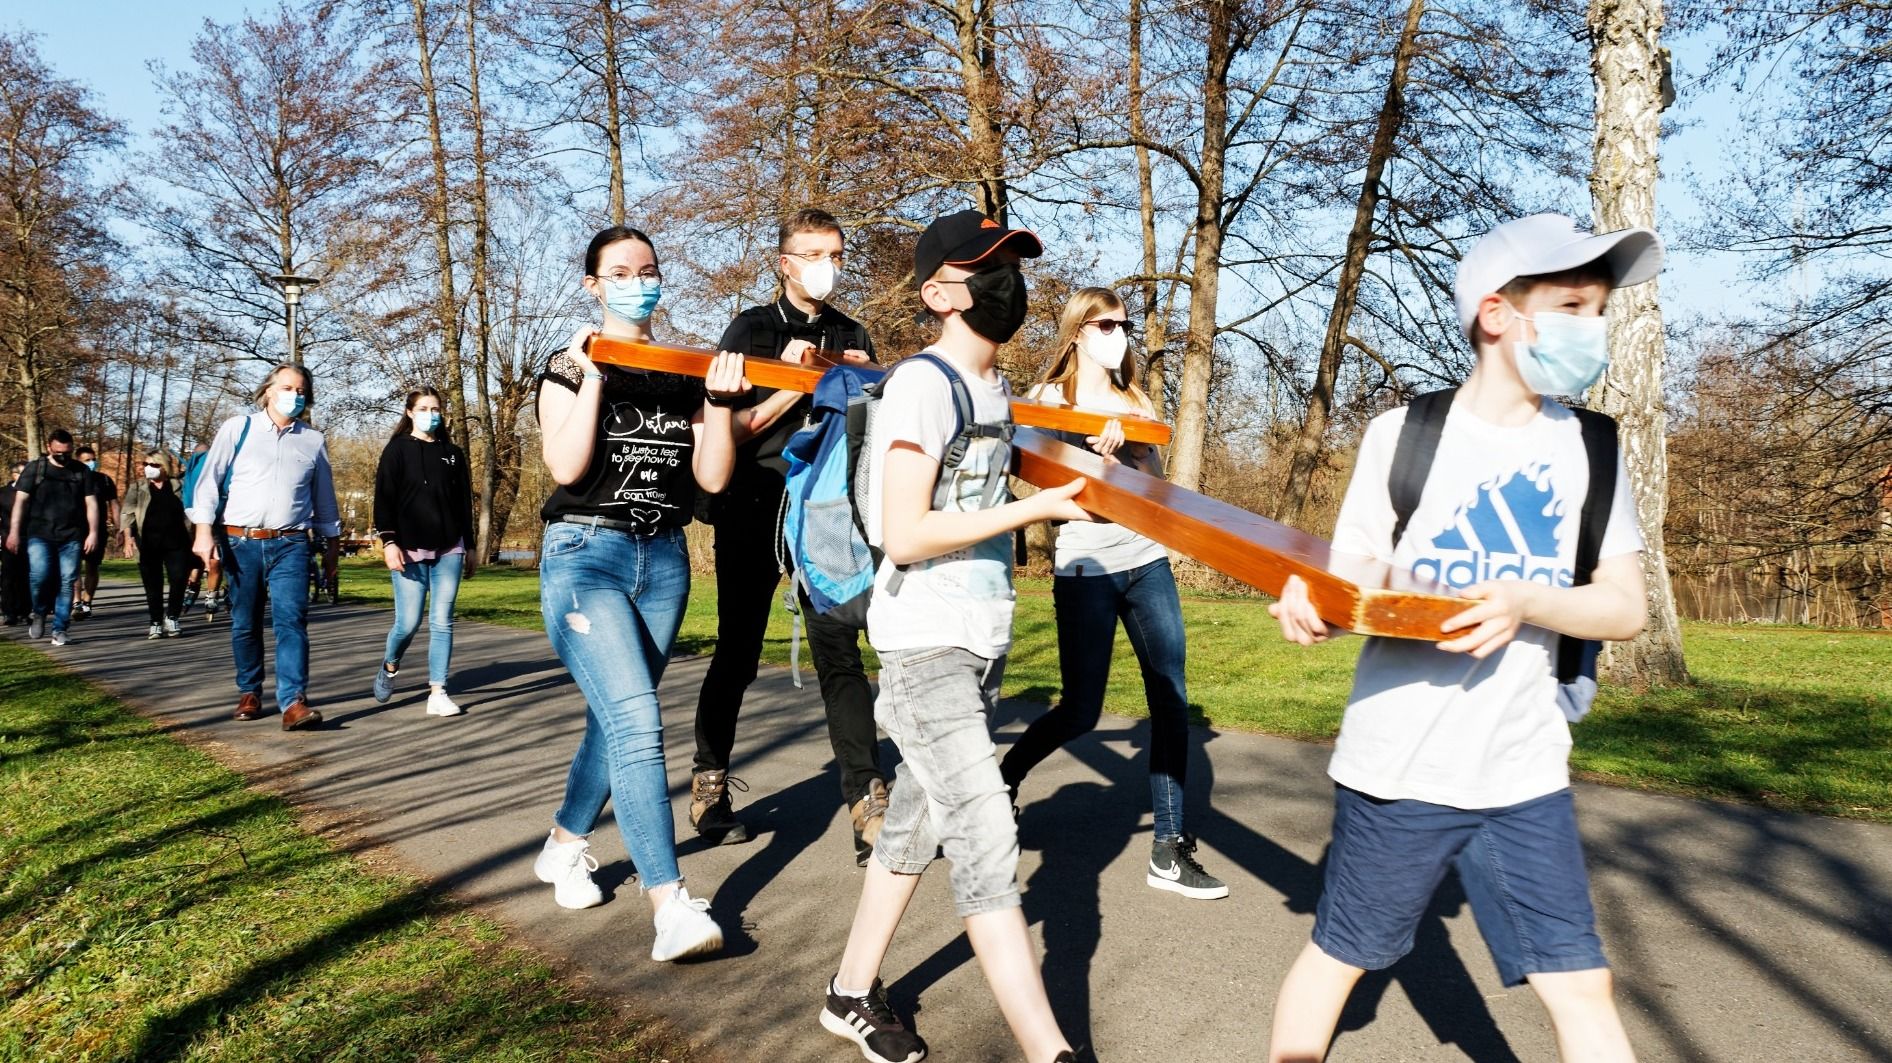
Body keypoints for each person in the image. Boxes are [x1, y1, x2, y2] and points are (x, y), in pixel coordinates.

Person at [1263, 213, 1660, 1063]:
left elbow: (1625, 606)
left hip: (1525, 767)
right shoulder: (1404, 436)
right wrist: (1312, 593)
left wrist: (1526, 598)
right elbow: (1356, 573)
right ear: (1496, 314)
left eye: (1599, 310)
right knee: (1343, 959)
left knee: (1582, 983)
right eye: (1572, 305)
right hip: (1402, 766)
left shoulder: (1592, 447)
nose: (1593, 329)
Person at [821, 209, 1093, 1063]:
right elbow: (904, 532)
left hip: (979, 638)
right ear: (941, 291)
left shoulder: (995, 391)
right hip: (922, 641)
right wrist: (1038, 508)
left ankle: (850, 990)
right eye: (987, 269)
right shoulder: (923, 386)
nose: (1005, 284)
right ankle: (1052, 1052)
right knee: (984, 833)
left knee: (916, 821)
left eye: (1013, 265)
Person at [529, 224, 748, 963]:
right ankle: (669, 902)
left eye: (648, 268)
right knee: (636, 714)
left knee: (615, 719)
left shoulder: (684, 367)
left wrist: (719, 401)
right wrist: (595, 371)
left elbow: (713, 477)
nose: (637, 280)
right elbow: (565, 463)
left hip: (663, 559)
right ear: (593, 284)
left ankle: (563, 843)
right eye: (619, 271)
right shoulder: (565, 363)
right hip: (585, 555)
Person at [999, 286, 1227, 901]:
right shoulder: (1048, 401)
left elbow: (1154, 484)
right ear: (1077, 332)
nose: (1117, 334)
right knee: (1081, 710)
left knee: (1171, 699)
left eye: (1122, 325)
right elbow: (1028, 497)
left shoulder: (1136, 399)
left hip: (1146, 562)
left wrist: (1126, 458)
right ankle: (1004, 782)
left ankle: (1169, 850)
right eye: (1104, 325)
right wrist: (1089, 471)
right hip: (1086, 569)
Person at [688, 206, 891, 862]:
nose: (824, 266)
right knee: (740, 651)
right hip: (754, 503)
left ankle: (867, 803)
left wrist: (863, 382)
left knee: (839, 649)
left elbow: (873, 429)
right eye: (811, 254)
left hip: (827, 509)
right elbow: (727, 430)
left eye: (834, 253)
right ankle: (709, 786)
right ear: (783, 262)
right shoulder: (748, 329)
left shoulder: (851, 330)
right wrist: (791, 382)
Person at [188, 364, 343, 731]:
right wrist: (203, 532)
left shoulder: (312, 440)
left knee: (292, 620)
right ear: (269, 391)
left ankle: (293, 702)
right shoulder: (237, 429)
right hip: (241, 541)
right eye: (288, 387)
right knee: (246, 621)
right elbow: (208, 483)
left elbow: (325, 500)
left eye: (301, 390)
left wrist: (332, 545)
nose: (295, 395)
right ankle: (250, 691)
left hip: (291, 542)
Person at [371, 386, 475, 717]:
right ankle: (390, 665)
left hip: (450, 548)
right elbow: (383, 500)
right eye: (424, 408)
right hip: (407, 547)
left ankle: (438, 692)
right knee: (408, 622)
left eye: (436, 409)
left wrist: (470, 545)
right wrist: (389, 542)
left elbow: (463, 504)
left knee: (442, 620)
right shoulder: (396, 451)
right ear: (410, 413)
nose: (431, 414)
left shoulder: (453, 454)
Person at [5, 430, 99, 646]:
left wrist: (92, 532)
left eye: (67, 453)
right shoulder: (35, 469)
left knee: (67, 581)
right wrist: (14, 532)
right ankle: (38, 613)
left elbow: (91, 503)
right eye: (58, 453)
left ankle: (60, 628)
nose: (63, 457)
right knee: (40, 576)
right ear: (49, 448)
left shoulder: (81, 471)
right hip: (40, 534)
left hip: (71, 536)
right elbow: (20, 502)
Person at [121, 450, 193, 639]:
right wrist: (128, 538)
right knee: (153, 584)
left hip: (177, 542)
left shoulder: (180, 486)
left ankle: (173, 616)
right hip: (148, 543)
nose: (148, 469)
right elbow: (127, 513)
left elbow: (191, 510)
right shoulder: (138, 487)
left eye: (153, 465)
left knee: (178, 579)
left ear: (164, 466)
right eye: (146, 465)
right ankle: (155, 622)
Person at [71, 444, 119, 620]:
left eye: (93, 460)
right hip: (74, 529)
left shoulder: (104, 480)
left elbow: (114, 504)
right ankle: (76, 602)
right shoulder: (71, 479)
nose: (91, 463)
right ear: (78, 461)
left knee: (92, 566)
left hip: (97, 531)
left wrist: (119, 528)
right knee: (73, 568)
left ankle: (87, 601)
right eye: (87, 460)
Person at [179, 441, 225, 619]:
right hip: (190, 523)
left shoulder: (219, 473)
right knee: (194, 563)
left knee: (214, 561)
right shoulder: (185, 477)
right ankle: (193, 586)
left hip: (215, 522)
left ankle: (211, 595)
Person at [0, 461, 29, 625]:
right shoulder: (3, 494)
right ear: (15, 475)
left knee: (27, 576)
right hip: (7, 540)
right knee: (9, 577)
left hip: (30, 539)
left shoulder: (34, 493)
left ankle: (25, 611)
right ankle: (9, 611)